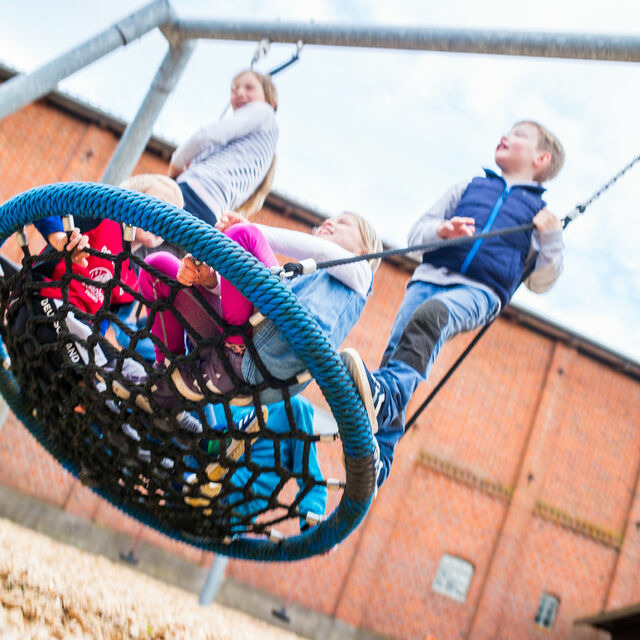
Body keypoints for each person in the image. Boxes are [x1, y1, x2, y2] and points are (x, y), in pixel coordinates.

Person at [340, 120, 566, 488]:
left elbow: (541, 282)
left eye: (519, 135)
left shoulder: (539, 218)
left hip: (480, 291)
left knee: (431, 320)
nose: (506, 136)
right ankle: (379, 458)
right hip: (429, 278)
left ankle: (384, 405)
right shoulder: (469, 188)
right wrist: (442, 232)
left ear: (541, 158)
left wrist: (552, 237)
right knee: (399, 356)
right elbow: (417, 235)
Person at [132, 210, 382, 409]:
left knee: (242, 236)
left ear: (364, 252)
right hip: (241, 340)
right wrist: (208, 280)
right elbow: (248, 302)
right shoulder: (302, 276)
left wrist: (250, 232)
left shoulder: (360, 275)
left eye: (344, 222)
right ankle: (168, 372)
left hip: (266, 362)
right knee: (158, 265)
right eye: (332, 218)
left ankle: (228, 358)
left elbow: (319, 250)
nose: (331, 221)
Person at [168, 69, 279, 228]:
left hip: (193, 192)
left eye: (249, 88)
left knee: (133, 235)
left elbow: (205, 136)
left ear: (270, 100)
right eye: (234, 89)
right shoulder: (258, 146)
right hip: (211, 212)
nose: (239, 92)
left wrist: (176, 163)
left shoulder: (264, 111)